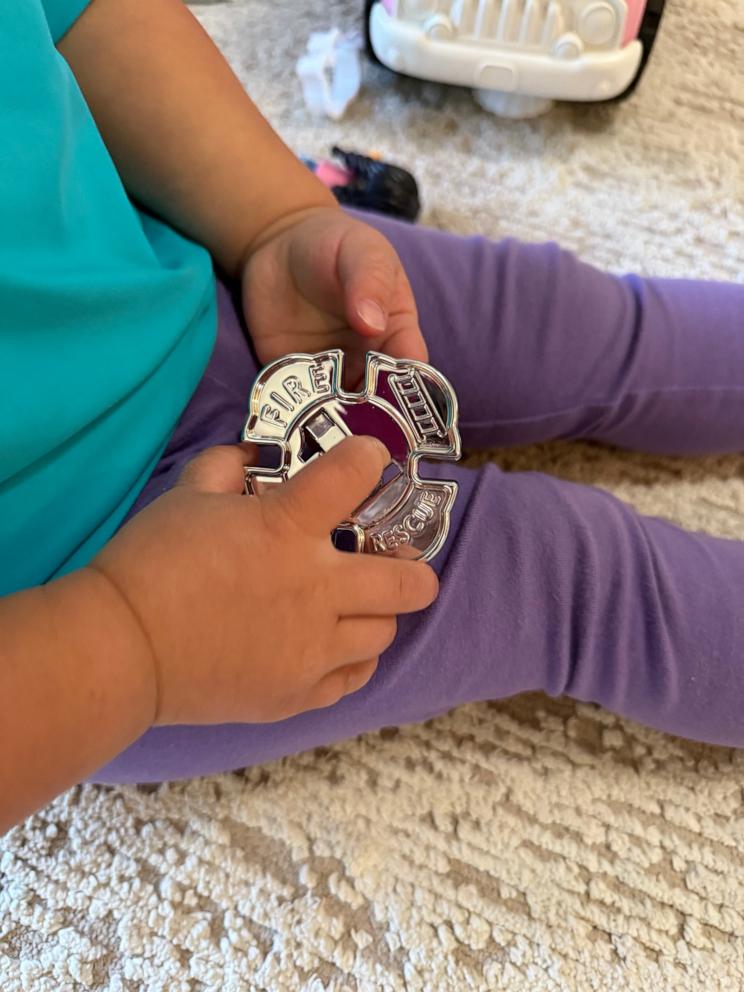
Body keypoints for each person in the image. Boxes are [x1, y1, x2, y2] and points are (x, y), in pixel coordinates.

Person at [1, 0, 742, 837]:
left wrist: (282, 219)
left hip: (197, 263)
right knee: (563, 572)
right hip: (97, 567)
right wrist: (134, 638)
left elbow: (82, 18)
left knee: (567, 316)